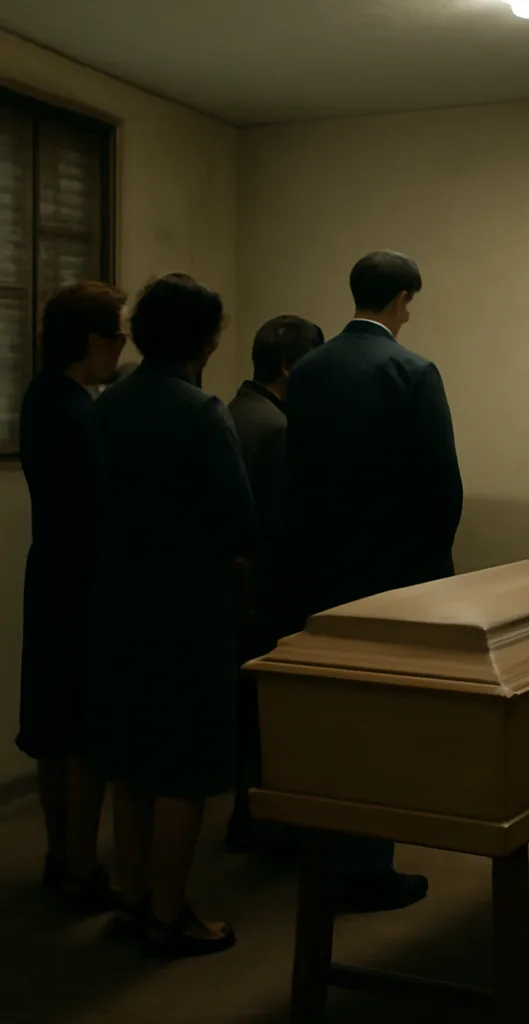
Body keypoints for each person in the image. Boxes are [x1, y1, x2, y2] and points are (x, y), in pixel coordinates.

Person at [286, 250, 463, 912]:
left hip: (317, 566)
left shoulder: (308, 369)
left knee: (329, 714)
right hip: (393, 575)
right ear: (401, 299)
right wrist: (434, 570)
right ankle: (368, 867)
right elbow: (441, 483)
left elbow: (297, 469)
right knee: (382, 720)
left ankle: (321, 850)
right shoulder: (411, 371)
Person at [87, 273, 257, 957]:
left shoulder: (109, 404)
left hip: (116, 598)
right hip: (188, 607)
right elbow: (238, 519)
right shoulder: (201, 412)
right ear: (203, 338)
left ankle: (131, 903)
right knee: (185, 767)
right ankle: (170, 913)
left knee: (131, 764)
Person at [17, 282, 126, 912]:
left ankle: (60, 855)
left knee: (52, 728)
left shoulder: (42, 396)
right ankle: (83, 867)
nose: (122, 350)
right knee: (84, 733)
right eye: (117, 337)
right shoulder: (82, 414)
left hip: (49, 574)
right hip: (85, 580)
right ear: (92, 340)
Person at [225, 314, 324, 849]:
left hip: (230, 590)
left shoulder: (233, 412)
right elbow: (279, 525)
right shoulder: (279, 429)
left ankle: (248, 812)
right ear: (289, 366)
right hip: (267, 591)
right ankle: (265, 822)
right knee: (270, 715)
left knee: (244, 714)